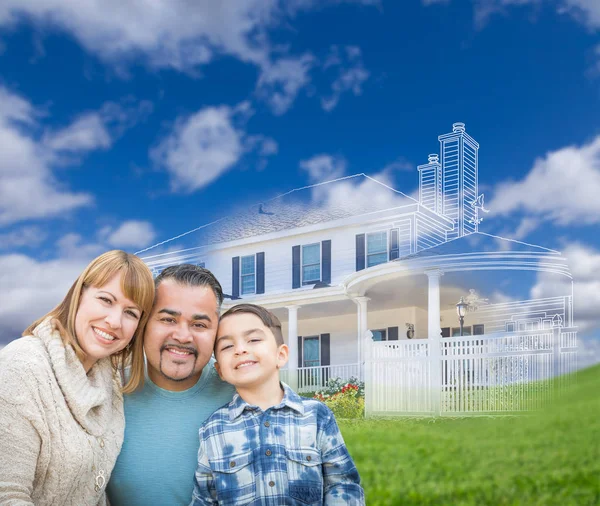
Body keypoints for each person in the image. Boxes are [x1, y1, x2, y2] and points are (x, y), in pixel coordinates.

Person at [0, 250, 155, 506]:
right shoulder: (23, 366)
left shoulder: (110, 380)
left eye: (131, 313)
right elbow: (7, 496)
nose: (114, 321)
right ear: (78, 295)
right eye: (106, 300)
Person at [191, 303, 365, 505]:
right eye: (227, 346)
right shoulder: (212, 429)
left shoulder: (316, 416)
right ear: (220, 370)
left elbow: (342, 484)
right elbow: (204, 499)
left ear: (280, 355)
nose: (240, 349)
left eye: (253, 339)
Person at [107, 264, 236, 506]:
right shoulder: (108, 391)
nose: (183, 336)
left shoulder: (242, 396)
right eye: (168, 319)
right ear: (144, 324)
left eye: (199, 325)